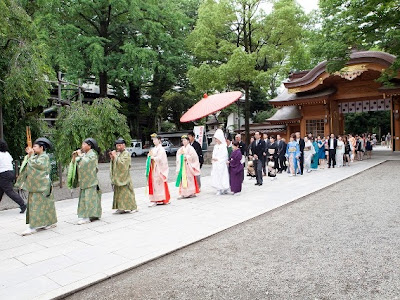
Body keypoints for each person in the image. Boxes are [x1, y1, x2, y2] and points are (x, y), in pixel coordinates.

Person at [16, 138, 57, 236]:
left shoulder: (44, 157)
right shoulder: (37, 156)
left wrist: (30, 155)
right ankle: (46, 222)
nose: (33, 148)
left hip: (42, 186)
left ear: (41, 147)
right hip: (37, 185)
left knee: (38, 206)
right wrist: (30, 155)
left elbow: (37, 165)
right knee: (41, 205)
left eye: (35, 146)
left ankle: (33, 227)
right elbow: (30, 163)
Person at [72, 138, 102, 225]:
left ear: (89, 146)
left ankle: (88, 216)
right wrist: (75, 157)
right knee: (85, 199)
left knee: (89, 199)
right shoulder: (85, 154)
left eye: (84, 144)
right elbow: (77, 164)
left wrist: (80, 156)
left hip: (90, 181)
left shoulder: (93, 154)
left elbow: (87, 163)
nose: (82, 146)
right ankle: (87, 215)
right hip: (84, 180)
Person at [110, 138, 138, 214]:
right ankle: (121, 207)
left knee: (127, 192)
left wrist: (115, 157)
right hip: (118, 176)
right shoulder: (118, 153)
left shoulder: (126, 154)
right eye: (117, 146)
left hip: (124, 176)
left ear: (123, 145)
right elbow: (115, 163)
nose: (118, 147)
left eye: (119, 145)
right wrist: (113, 158)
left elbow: (124, 164)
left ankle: (133, 207)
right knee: (119, 193)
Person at [0, 140, 26, 213]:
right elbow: (10, 161)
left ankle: (22, 204)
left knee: (9, 191)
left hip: (3, 174)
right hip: (10, 172)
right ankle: (22, 204)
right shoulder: (7, 154)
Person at [147, 133, 170, 206]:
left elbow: (161, 159)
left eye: (155, 139)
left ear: (159, 140)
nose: (154, 141)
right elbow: (150, 156)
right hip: (153, 168)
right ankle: (154, 199)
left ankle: (160, 199)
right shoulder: (153, 149)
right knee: (154, 184)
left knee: (159, 184)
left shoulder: (161, 149)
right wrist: (149, 157)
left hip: (158, 169)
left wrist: (153, 158)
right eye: (153, 140)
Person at [211, 129, 230, 195]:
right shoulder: (215, 146)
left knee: (223, 176)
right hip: (216, 164)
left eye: (217, 138)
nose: (216, 140)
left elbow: (224, 156)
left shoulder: (223, 146)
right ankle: (218, 188)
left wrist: (218, 159)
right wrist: (214, 158)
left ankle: (224, 188)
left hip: (221, 163)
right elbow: (213, 154)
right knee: (216, 176)